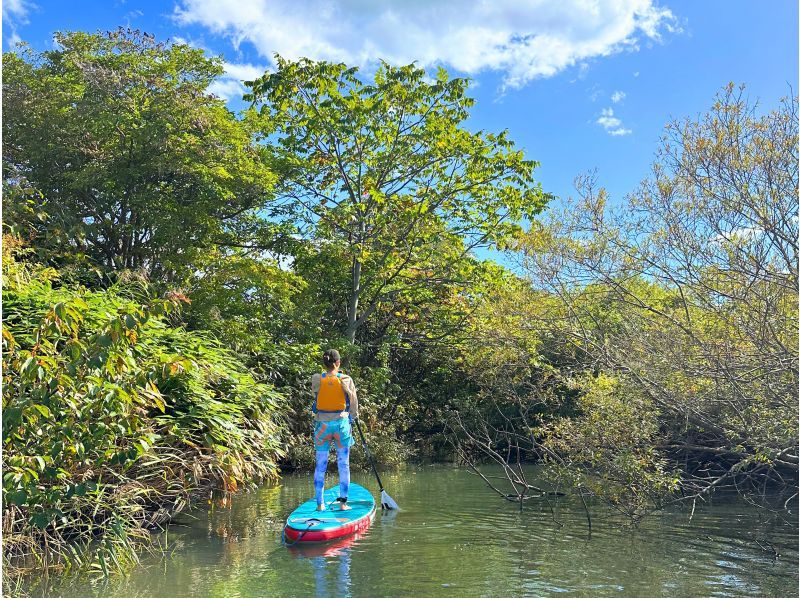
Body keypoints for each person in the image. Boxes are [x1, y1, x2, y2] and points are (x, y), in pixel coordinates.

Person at [311, 349, 359, 511]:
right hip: (341, 425)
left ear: (324, 364)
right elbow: (353, 402)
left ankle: (320, 504)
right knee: (343, 464)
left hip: (322, 426)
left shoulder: (317, 379)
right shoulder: (345, 379)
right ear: (338, 363)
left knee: (321, 465)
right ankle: (343, 504)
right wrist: (354, 416)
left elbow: (316, 397)